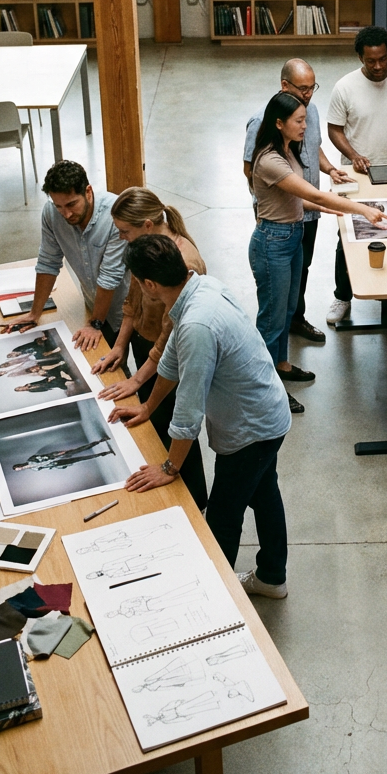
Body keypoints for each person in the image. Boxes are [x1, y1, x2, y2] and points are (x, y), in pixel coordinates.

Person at [107, 234, 293, 599]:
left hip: (251, 430)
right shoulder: (200, 288)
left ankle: (217, 599)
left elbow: (188, 411)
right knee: (264, 493)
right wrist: (147, 406)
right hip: (266, 413)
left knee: (222, 519)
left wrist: (168, 468)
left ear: (149, 284)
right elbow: (172, 362)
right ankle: (272, 576)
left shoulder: (196, 325)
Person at [249, 91, 387, 412]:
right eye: (299, 121)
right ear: (279, 123)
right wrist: (361, 209)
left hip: (291, 236)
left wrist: (331, 210)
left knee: (287, 312)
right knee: (272, 320)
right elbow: (308, 192)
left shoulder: (287, 149)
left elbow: (296, 199)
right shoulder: (269, 159)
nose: (306, 126)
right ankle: (266, 388)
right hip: (272, 242)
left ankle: (283, 365)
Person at [92, 187, 209, 508]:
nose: (121, 238)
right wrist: (119, 346)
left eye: (124, 232)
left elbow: (169, 340)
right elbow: (132, 301)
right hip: (146, 350)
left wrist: (137, 379)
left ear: (146, 224)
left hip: (167, 356)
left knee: (174, 425)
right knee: (153, 424)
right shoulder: (144, 247)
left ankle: (195, 499)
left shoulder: (184, 262)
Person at [244, 58, 354, 344]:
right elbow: (251, 169)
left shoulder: (310, 112)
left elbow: (313, 148)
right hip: (279, 219)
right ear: (285, 86)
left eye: (312, 88)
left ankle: (295, 319)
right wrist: (267, 203)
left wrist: (330, 169)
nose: (309, 94)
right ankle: (283, 337)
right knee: (276, 300)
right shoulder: (262, 121)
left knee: (299, 273)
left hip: (303, 214)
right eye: (303, 88)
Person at [326, 25, 387, 324]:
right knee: (349, 236)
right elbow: (334, 128)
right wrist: (353, 155)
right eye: (371, 61)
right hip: (355, 175)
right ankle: (342, 296)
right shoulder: (344, 87)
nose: (379, 66)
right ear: (360, 58)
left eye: (383, 59)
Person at [6, 160, 130, 350]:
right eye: (59, 206)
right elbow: (48, 262)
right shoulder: (51, 213)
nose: (66, 214)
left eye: (72, 204)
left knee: (144, 373)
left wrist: (95, 323)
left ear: (88, 192)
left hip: (132, 309)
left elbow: (110, 276)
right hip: (95, 306)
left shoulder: (115, 214)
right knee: (107, 366)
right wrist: (34, 313)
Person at [12, 440, 115, 470]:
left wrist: (58, 453)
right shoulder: (34, 469)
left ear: (19, 465)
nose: (21, 469)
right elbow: (48, 467)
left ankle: (99, 441)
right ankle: (106, 453)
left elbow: (46, 456)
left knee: (79, 450)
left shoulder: (31, 459)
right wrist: (60, 467)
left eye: (19, 468)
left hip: (58, 456)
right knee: (83, 459)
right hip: (59, 463)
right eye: (20, 470)